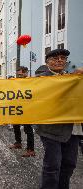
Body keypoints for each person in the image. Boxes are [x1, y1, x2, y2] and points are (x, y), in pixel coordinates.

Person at [36, 49, 81, 189]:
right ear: (47, 62)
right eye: (55, 58)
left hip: (73, 129)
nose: (60, 60)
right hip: (51, 129)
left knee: (69, 164)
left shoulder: (73, 78)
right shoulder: (40, 79)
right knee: (53, 165)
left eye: (63, 58)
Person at [9, 66, 35, 157]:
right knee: (16, 126)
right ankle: (18, 143)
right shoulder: (15, 82)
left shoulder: (31, 82)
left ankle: (31, 149)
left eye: (20, 74)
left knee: (28, 129)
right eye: (18, 74)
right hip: (17, 108)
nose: (19, 76)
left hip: (27, 109)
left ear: (26, 73)